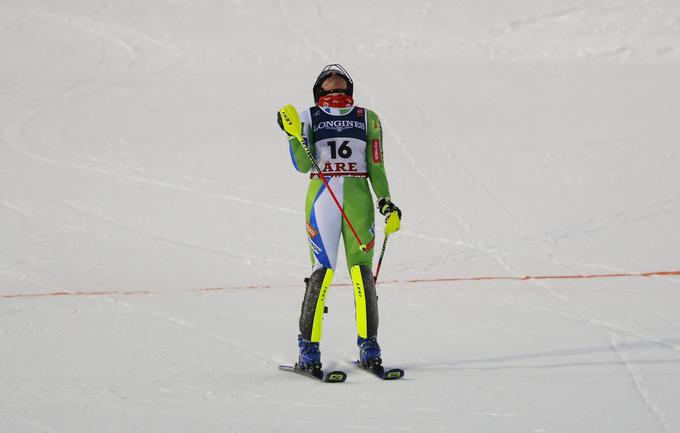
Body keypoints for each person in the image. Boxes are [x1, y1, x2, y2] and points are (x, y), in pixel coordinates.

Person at [276, 64, 401, 371]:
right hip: (323, 200)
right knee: (323, 270)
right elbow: (303, 166)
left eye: (341, 83)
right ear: (320, 90)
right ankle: (308, 348)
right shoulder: (308, 116)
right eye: (329, 83)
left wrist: (386, 203)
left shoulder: (367, 118)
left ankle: (369, 346)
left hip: (359, 200)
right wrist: (293, 135)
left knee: (362, 274)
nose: (335, 79)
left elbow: (377, 166)